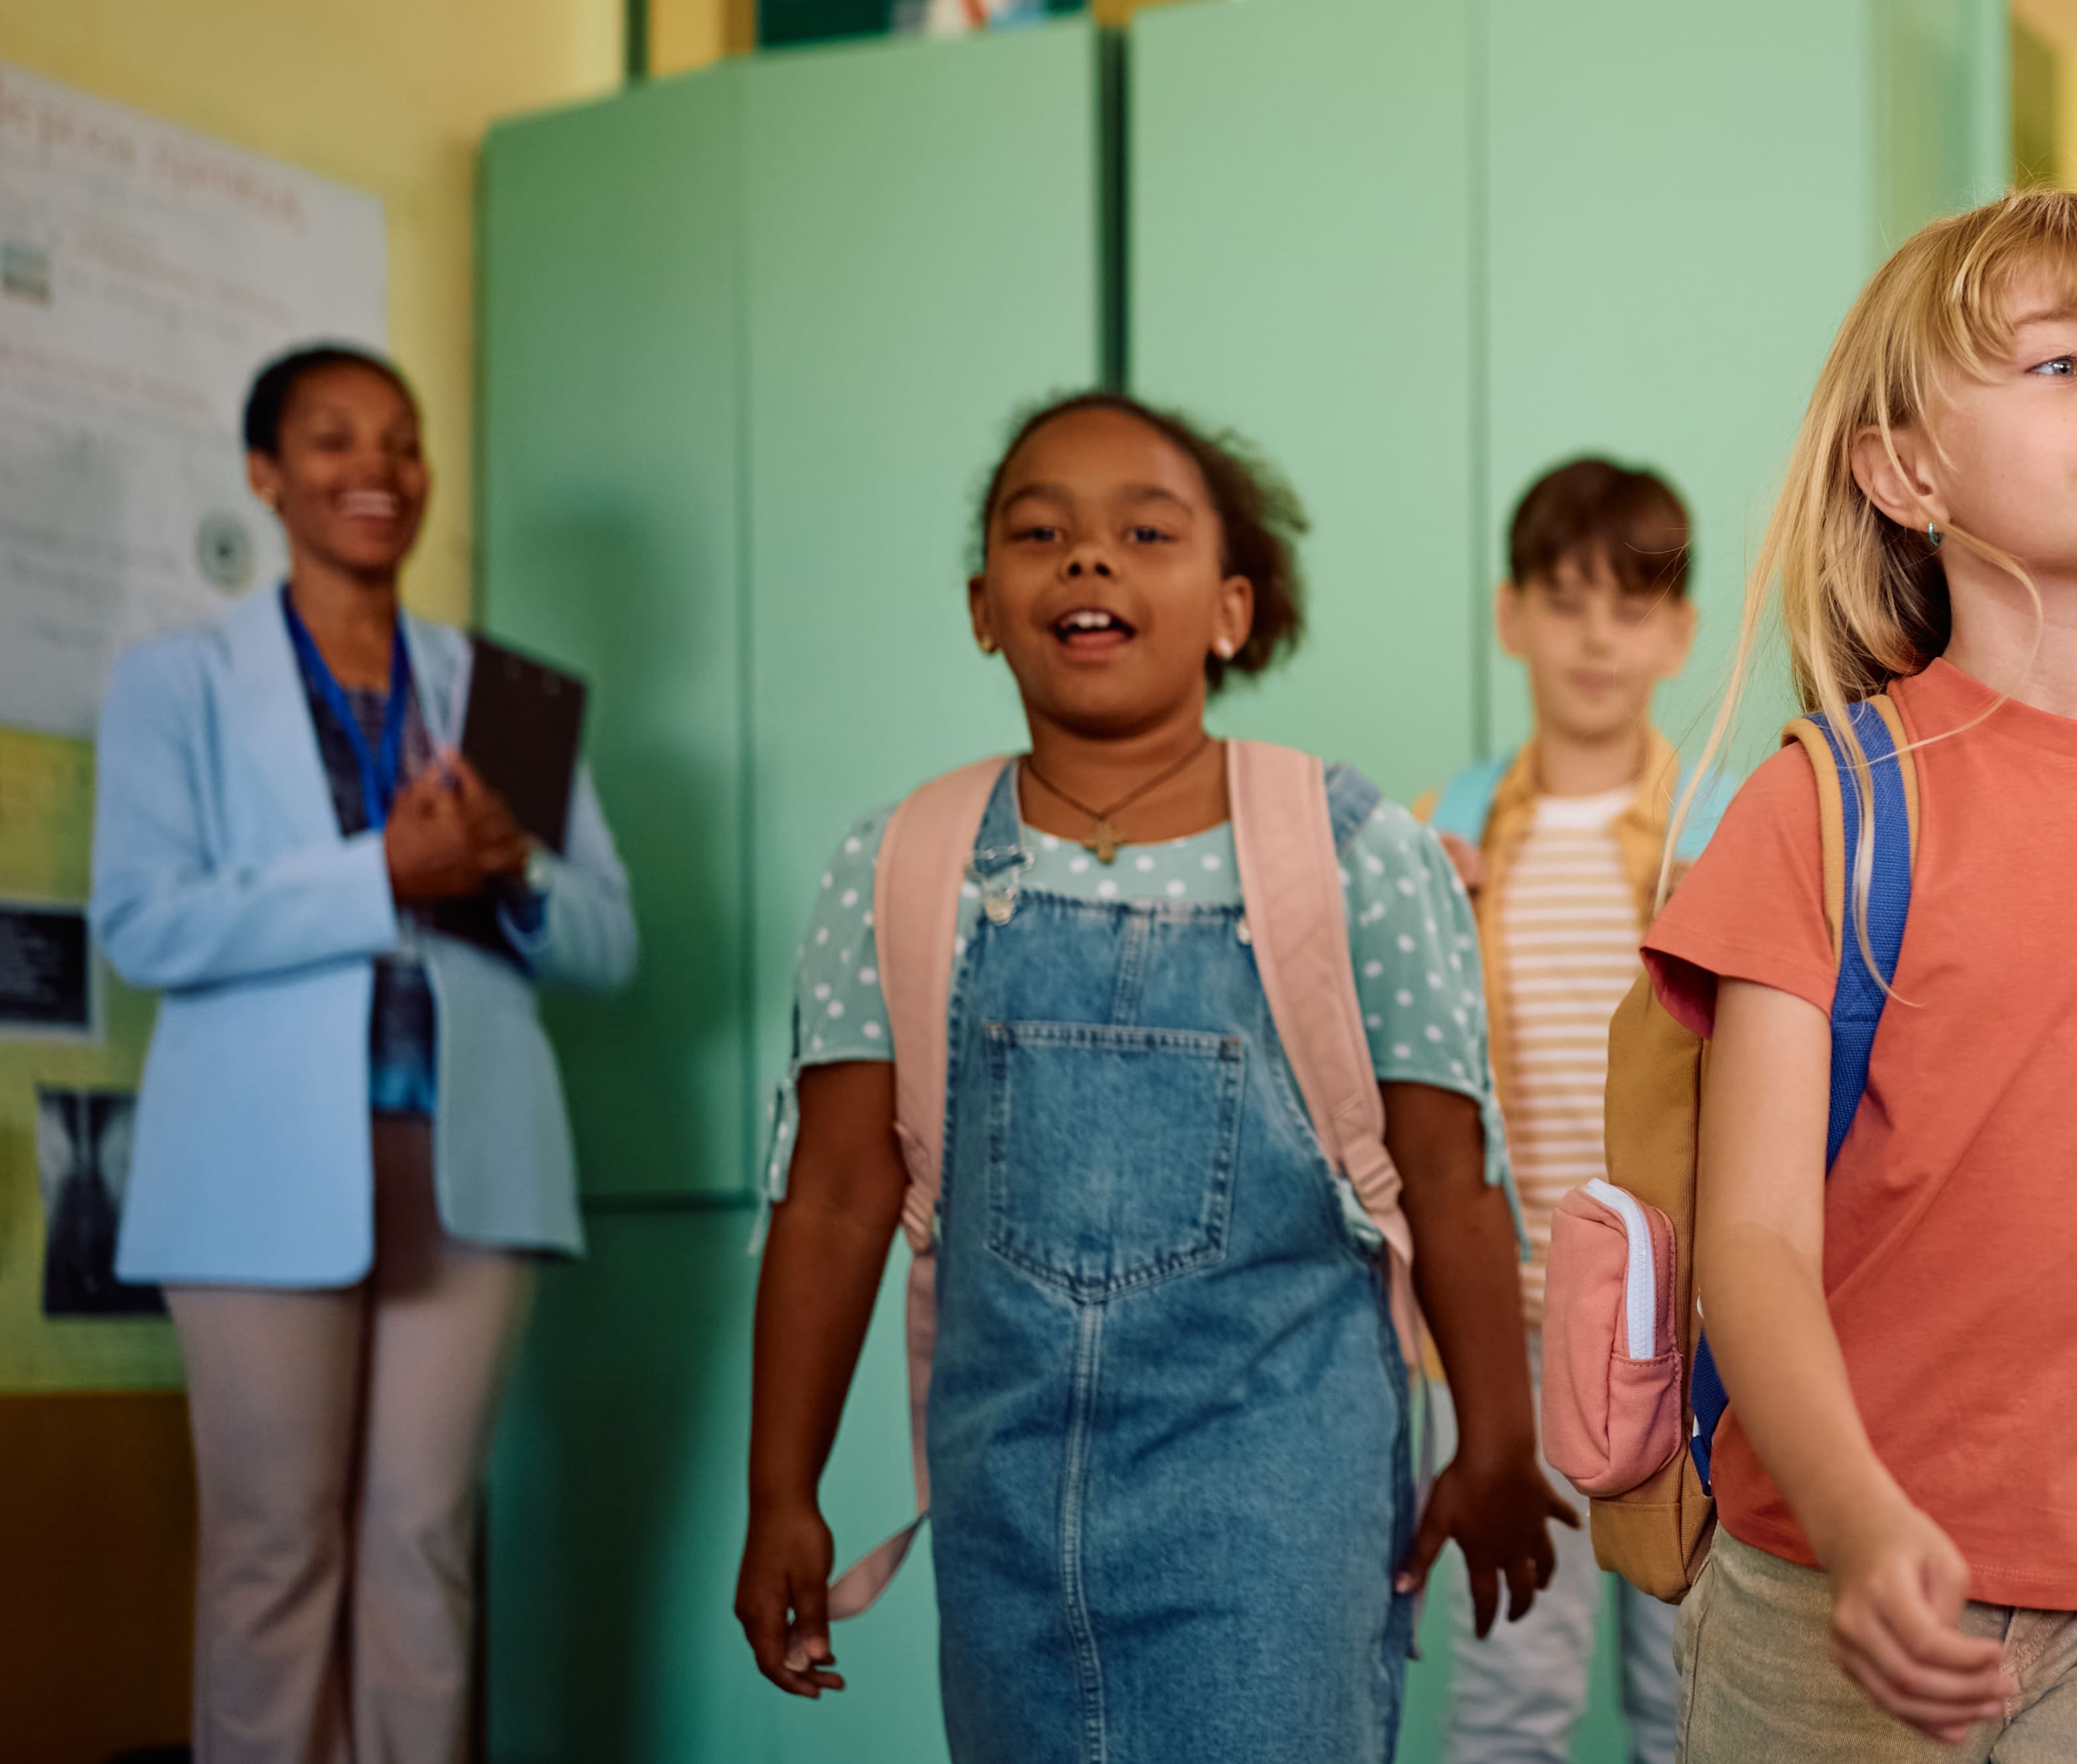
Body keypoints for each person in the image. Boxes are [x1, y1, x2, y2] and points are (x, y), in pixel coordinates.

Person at [731, 393, 1562, 1762]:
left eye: (1145, 532)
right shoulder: (897, 867)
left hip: (1284, 1512)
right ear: (983, 607)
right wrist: (782, 1492)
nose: (1088, 560)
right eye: (1039, 530)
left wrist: (1494, 1437)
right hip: (1007, 1528)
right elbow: (829, 1198)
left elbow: (1450, 1178)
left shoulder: (1356, 854)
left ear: (1233, 608)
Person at [1640, 189, 2077, 1763]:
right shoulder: (1823, 806)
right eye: (2054, 365)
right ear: (1904, 473)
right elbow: (1750, 1238)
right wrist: (1860, 1523)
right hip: (1818, 1591)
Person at [92, 342, 638, 1763]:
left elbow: (607, 941)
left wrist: (509, 875)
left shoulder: (505, 694)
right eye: (333, 441)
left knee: (423, 1541)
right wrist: (382, 871)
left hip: (468, 1162)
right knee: (275, 1552)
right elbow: (144, 926)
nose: (376, 471)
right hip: (257, 1163)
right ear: (266, 476)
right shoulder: (179, 682)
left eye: (400, 443)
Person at [1418, 456, 1717, 1764]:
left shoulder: (1724, 838)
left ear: (1679, 634)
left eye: (1634, 604)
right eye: (1568, 598)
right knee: (1507, 1701)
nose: (1599, 636)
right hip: (1500, 1337)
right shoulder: (1441, 836)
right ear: (1511, 616)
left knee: (1692, 1695)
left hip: (1685, 1329)